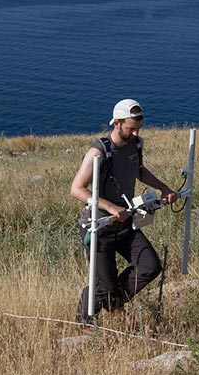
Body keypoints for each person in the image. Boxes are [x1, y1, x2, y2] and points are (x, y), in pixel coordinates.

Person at [70, 99, 179, 324]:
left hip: (125, 223)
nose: (136, 133)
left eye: (138, 128)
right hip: (98, 226)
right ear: (117, 123)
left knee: (150, 266)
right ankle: (84, 321)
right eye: (131, 128)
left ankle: (113, 301)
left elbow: (139, 170)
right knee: (104, 283)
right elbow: (76, 189)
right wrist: (110, 207)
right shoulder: (98, 151)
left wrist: (164, 188)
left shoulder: (135, 144)